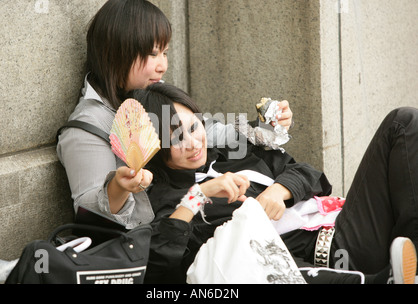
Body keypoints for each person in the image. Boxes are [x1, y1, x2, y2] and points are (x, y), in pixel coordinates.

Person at [125, 82, 417, 284]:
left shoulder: (234, 151)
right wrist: (198, 195)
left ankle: (410, 254)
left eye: (193, 127)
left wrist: (281, 190)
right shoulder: (167, 197)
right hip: (315, 261)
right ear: (156, 148)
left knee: (402, 122)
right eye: (177, 138)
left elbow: (313, 176)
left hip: (348, 227)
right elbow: (162, 263)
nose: (192, 143)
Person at [56, 0, 293, 229]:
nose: (163, 66)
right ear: (115, 54)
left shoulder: (152, 92)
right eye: (152, 54)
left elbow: (209, 131)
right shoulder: (87, 127)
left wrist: (265, 127)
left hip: (189, 228)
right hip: (155, 247)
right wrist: (119, 187)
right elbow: (91, 214)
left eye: (165, 52)